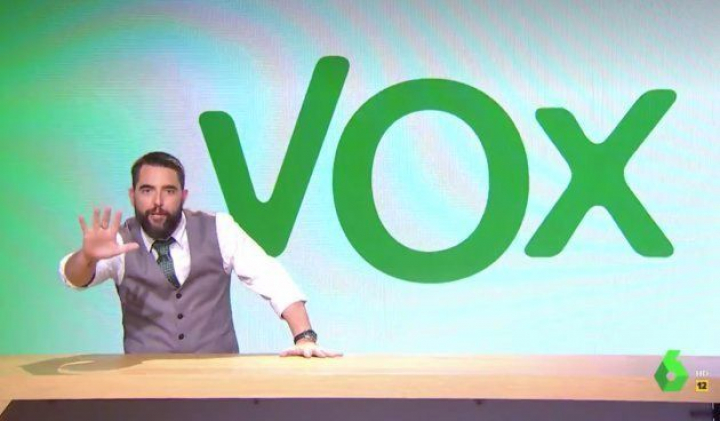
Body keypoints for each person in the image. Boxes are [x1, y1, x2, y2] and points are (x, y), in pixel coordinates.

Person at [59, 151, 338, 358]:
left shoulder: (219, 228)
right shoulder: (120, 241)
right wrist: (87, 257)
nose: (157, 202)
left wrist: (304, 337)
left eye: (169, 191)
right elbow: (75, 278)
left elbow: (270, 277)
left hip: (219, 384)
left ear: (183, 195)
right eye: (147, 191)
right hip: (145, 389)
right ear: (133, 196)